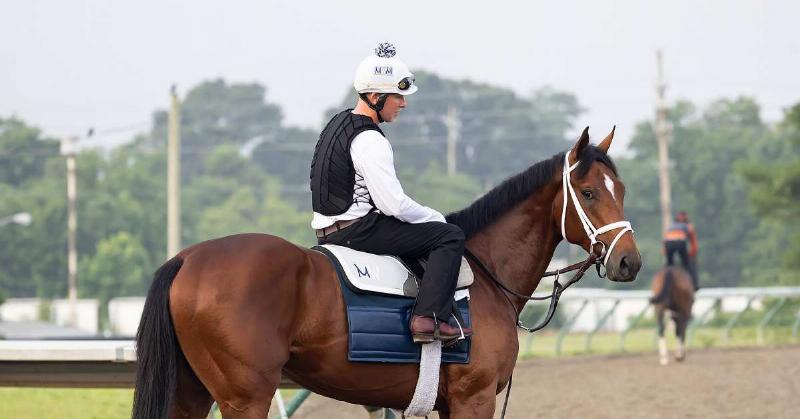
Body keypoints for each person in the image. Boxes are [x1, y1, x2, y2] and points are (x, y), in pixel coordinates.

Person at [309, 43, 471, 343]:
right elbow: (393, 204)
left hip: (328, 230)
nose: (403, 104)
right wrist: (435, 218)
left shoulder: (338, 122)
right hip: (358, 231)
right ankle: (428, 320)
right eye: (397, 96)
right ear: (375, 97)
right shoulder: (371, 140)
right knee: (449, 236)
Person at [662, 211, 699, 290]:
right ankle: (694, 284)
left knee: (669, 265)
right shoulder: (687, 225)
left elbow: (665, 240)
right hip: (680, 242)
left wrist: (665, 252)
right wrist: (692, 253)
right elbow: (693, 241)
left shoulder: (671, 226)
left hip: (668, 243)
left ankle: (665, 283)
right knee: (687, 264)